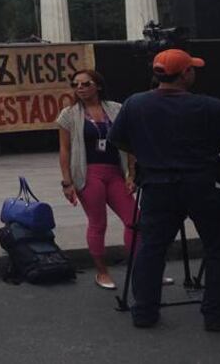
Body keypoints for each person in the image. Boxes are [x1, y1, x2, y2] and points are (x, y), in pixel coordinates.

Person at [109, 49, 220, 331]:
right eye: (192, 68)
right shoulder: (205, 106)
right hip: (202, 183)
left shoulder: (135, 104)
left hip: (157, 185)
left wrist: (148, 154)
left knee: (151, 248)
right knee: (218, 247)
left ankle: (144, 311)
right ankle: (217, 314)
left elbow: (118, 139)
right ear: (186, 73)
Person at [56, 69, 136, 289]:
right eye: (75, 84)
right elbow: (65, 150)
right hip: (89, 173)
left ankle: (141, 267)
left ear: (98, 86)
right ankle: (102, 272)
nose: (79, 88)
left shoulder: (116, 109)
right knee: (98, 222)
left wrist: (132, 173)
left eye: (85, 84)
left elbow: (129, 143)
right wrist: (67, 182)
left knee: (134, 220)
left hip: (115, 172)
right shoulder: (69, 115)